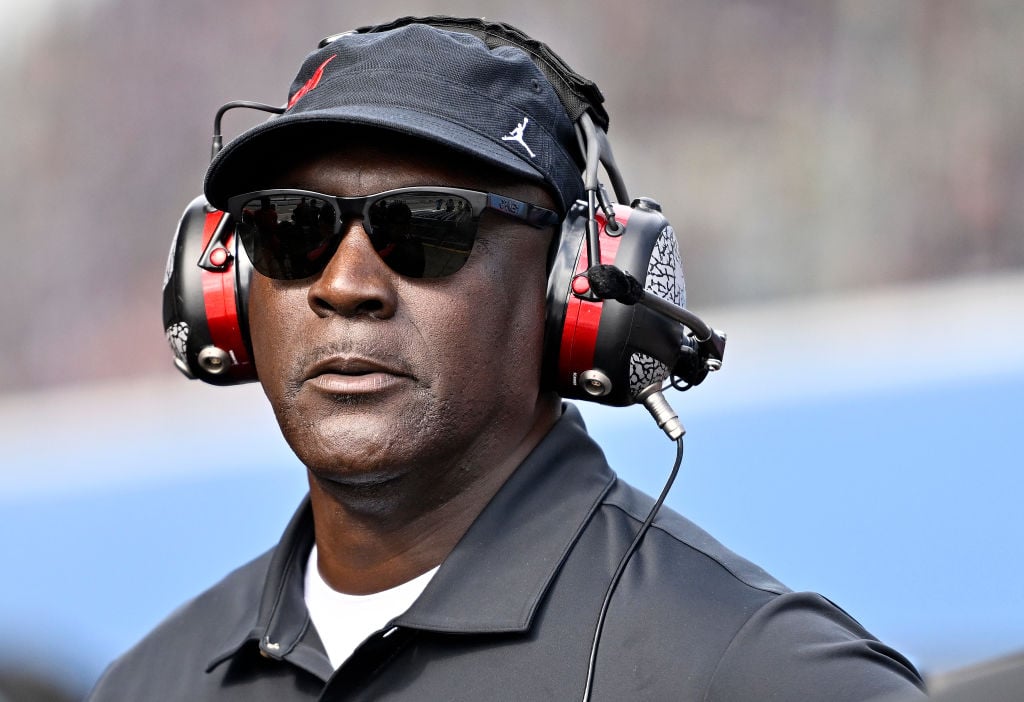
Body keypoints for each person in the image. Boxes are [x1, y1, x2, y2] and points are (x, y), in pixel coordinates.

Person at [89, 17, 928, 701]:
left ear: (576, 291)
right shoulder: (148, 686)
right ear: (224, 293)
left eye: (426, 226)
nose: (344, 285)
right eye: (291, 227)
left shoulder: (765, 676)